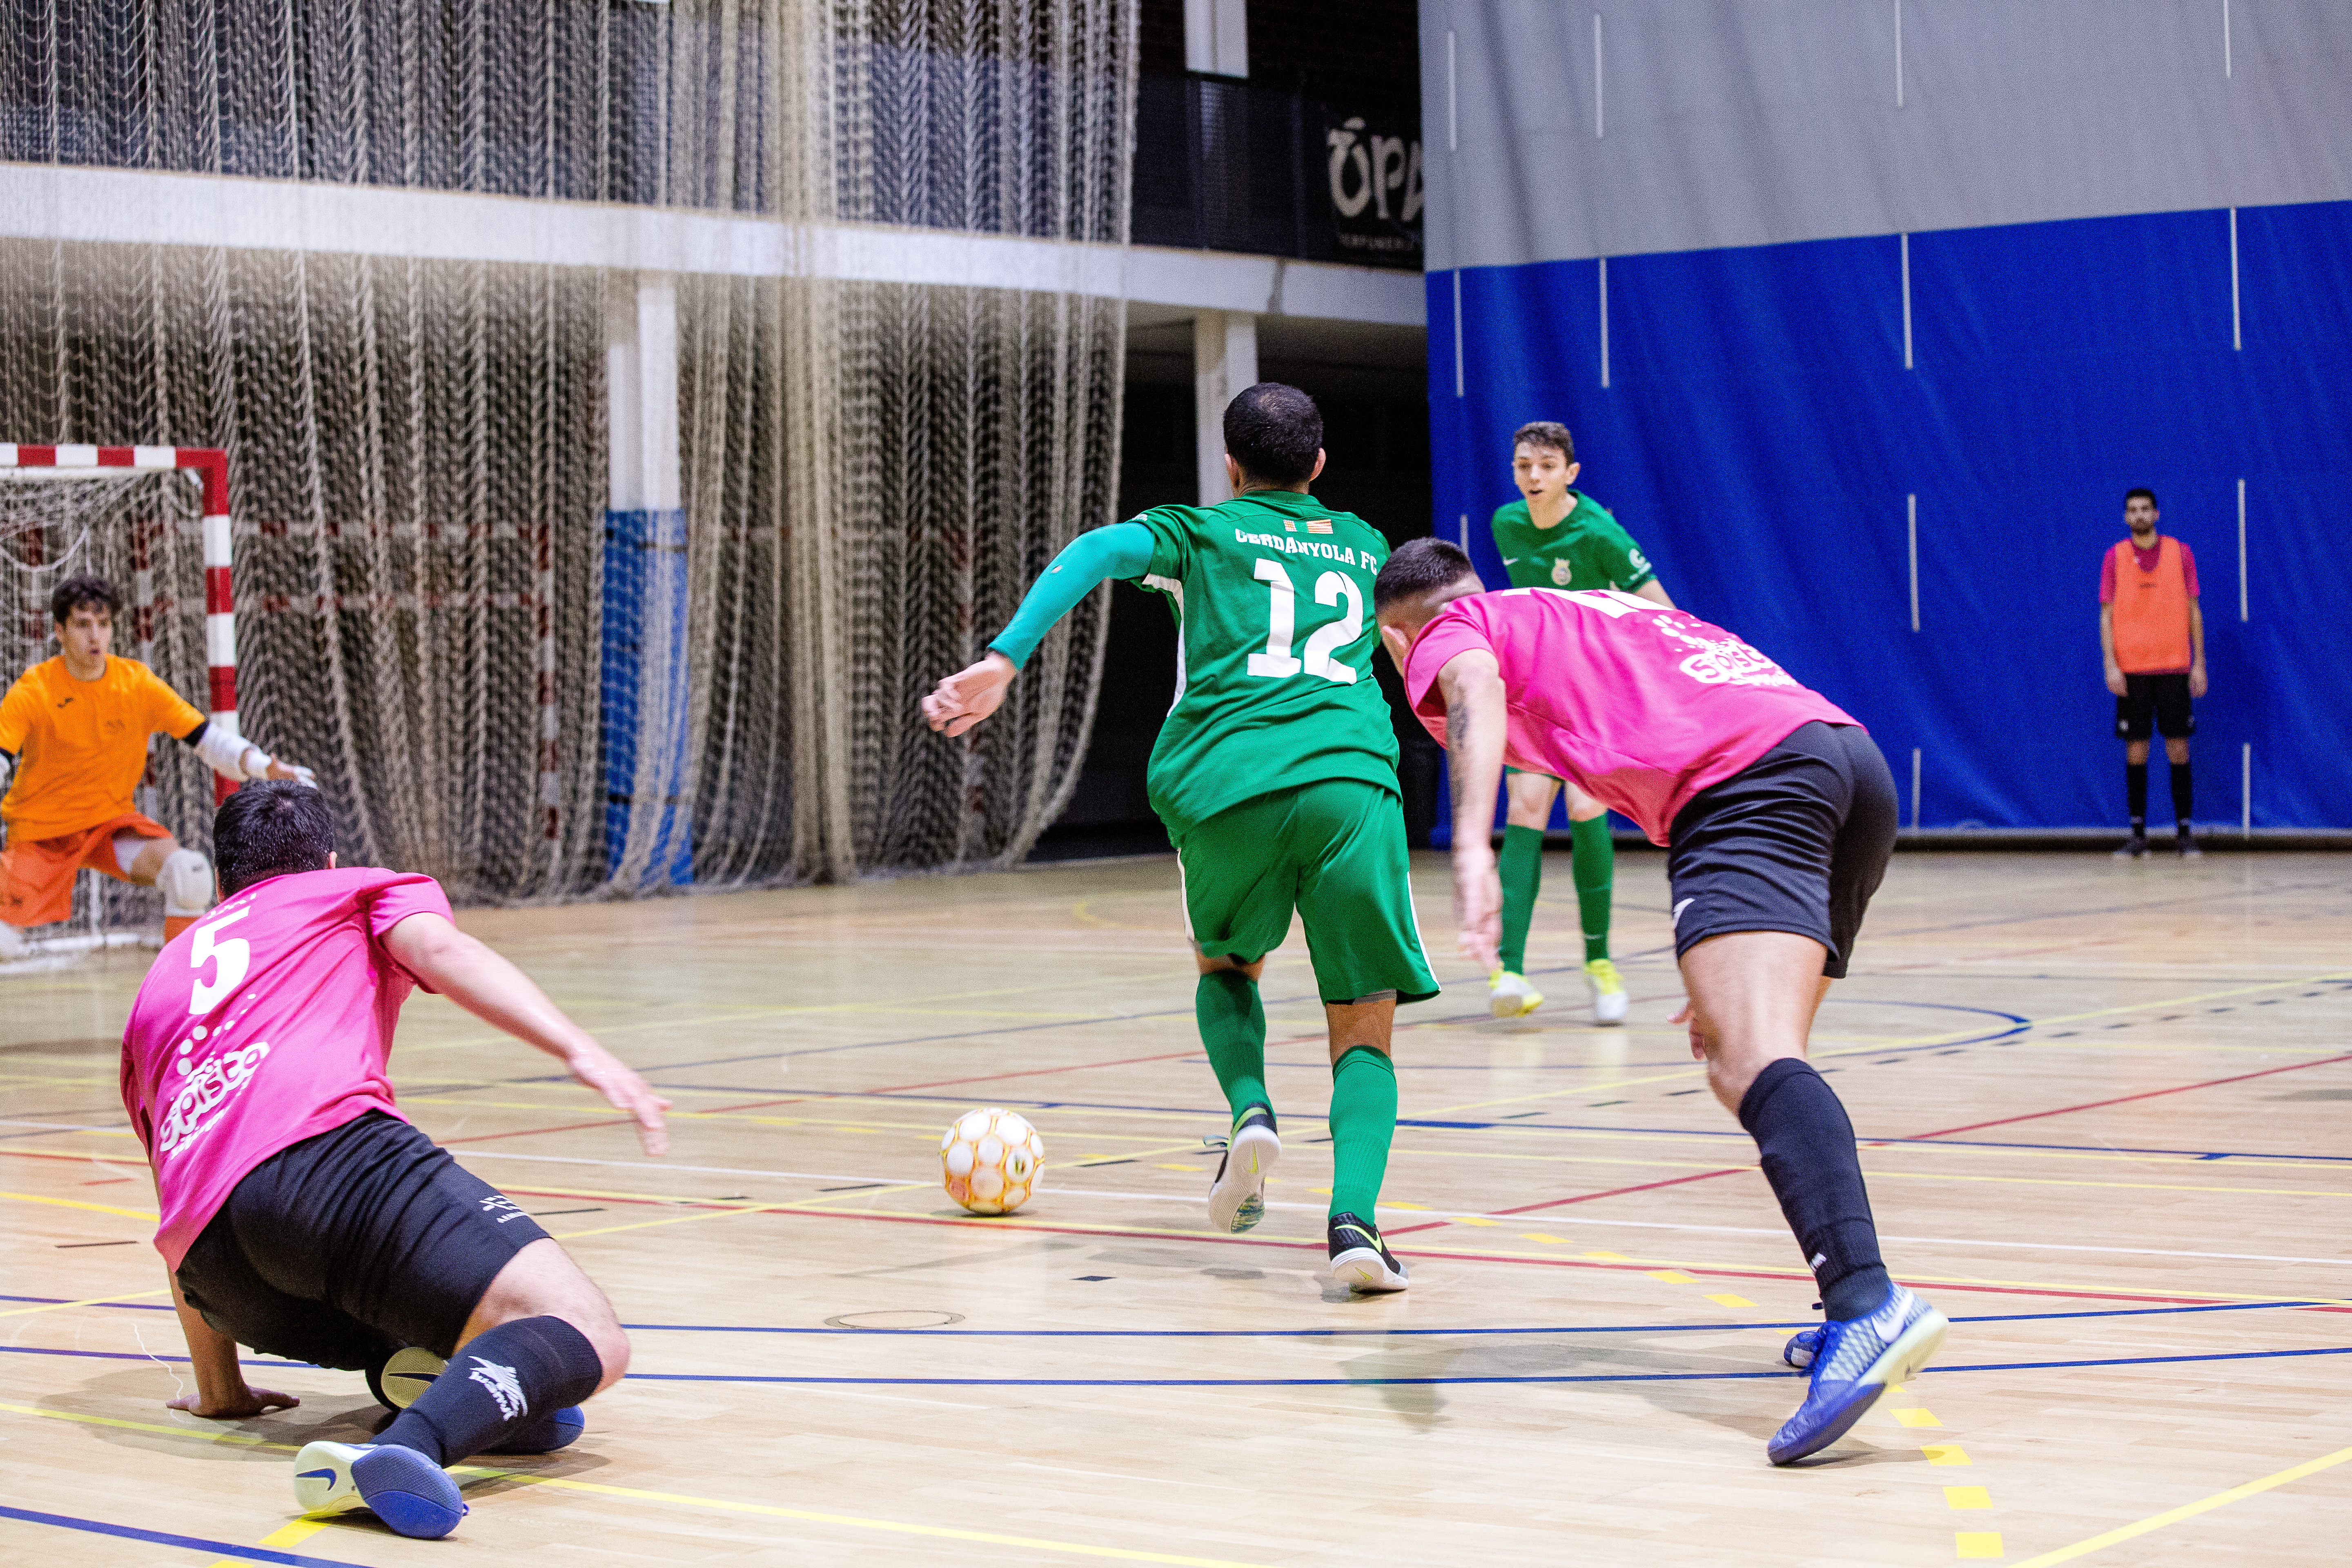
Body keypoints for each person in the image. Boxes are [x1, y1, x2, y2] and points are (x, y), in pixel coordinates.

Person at [1371, 538, 1947, 1465]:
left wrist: (1470, 847)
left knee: (1750, 1057)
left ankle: (1867, 1305)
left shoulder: (1448, 627)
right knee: (1744, 1054)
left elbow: (1470, 686)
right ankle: (1846, 1280)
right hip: (1844, 761)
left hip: (1743, 784)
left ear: (1399, 640)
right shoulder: (1586, 608)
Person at [921, 382, 1438, 1293]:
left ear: (1229, 465)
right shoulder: (1363, 545)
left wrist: (1004, 656)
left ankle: (1249, 1112)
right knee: (1364, 1025)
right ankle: (1354, 1224)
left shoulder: (1201, 531)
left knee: (1226, 967)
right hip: (1350, 784)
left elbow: (1095, 551)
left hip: (1226, 784)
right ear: (1320, 466)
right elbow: (1425, 639)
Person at [119, 781, 672, 1538]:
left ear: (220, 884)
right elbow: (439, 949)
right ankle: (407, 1447)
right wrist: (581, 1050)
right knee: (586, 1331)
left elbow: (171, 1191)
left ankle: (437, 1386)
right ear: (330, 860)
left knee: (469, 1324)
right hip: (327, 1162)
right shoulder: (351, 891)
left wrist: (222, 1392)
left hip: (222, 1274)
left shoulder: (161, 981)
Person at [0, 574, 310, 960]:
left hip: (110, 824)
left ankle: (178, 985)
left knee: (190, 873)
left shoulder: (136, 684)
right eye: (82, 625)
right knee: (4, 945)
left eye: (104, 624)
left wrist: (263, 766)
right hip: (42, 831)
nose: (95, 635)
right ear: (59, 632)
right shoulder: (34, 690)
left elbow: (206, 738)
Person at [1483, 422, 1676, 1024]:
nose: (1533, 477)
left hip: (1595, 692)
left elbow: (1662, 610)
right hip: (1538, 688)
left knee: (1588, 808)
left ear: (1571, 473)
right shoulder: (1506, 524)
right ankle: (1508, 969)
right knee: (1526, 807)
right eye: (1523, 467)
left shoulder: (1599, 533)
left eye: (1545, 467)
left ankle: (1599, 963)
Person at [2099, 488, 2206, 859]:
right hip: (2132, 671)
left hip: (2174, 665)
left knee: (2178, 748)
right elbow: (2106, 616)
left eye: (2146, 509)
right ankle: (2138, 835)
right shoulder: (2114, 557)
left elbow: (2194, 610)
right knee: (2136, 751)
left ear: (2157, 514)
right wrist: (2111, 665)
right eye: (2133, 510)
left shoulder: (2181, 553)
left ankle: (2184, 834)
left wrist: (2199, 663)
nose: (2140, 515)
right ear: (2126, 518)